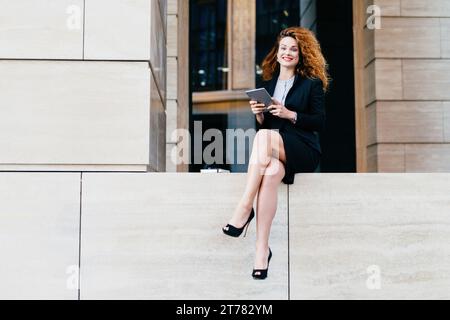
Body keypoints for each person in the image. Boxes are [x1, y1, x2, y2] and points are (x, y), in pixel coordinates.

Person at [222, 27, 330, 279]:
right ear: (277, 53)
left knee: (262, 138)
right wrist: (260, 114)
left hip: (303, 148)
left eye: (293, 49)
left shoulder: (310, 84)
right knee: (270, 173)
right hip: (277, 149)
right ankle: (262, 251)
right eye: (283, 48)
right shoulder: (267, 85)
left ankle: (245, 207)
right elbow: (267, 128)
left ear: (301, 54)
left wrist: (289, 114)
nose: (287, 52)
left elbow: (319, 123)